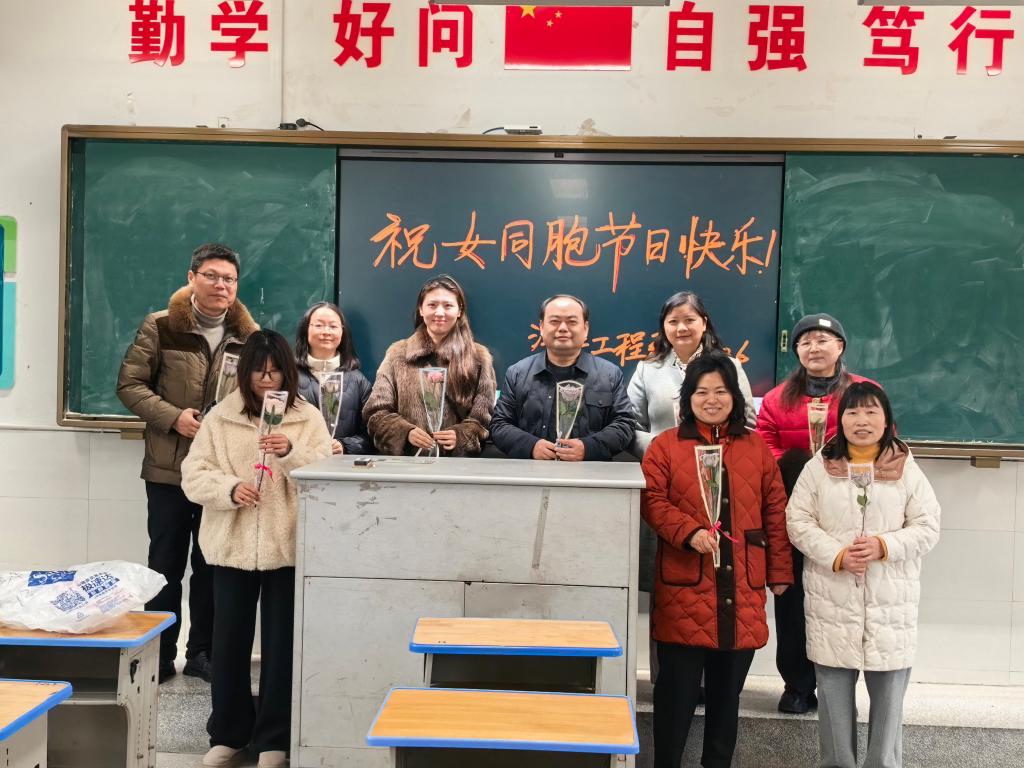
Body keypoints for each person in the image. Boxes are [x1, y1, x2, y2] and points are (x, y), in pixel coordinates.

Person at [181, 330, 332, 768]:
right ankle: (227, 733)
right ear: (244, 373)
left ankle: (274, 739)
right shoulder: (220, 417)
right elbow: (194, 474)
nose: (267, 380)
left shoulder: (307, 417)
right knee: (228, 643)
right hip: (231, 545)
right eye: (258, 372)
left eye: (275, 372)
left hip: (287, 546)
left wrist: (291, 452)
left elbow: (326, 471)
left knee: (281, 646)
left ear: (289, 373)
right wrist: (230, 489)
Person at [641, 351, 792, 768]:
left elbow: (775, 511)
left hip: (741, 587)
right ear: (687, 398)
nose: (711, 400)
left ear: (735, 397)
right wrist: (688, 532)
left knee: (727, 699)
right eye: (702, 392)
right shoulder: (665, 446)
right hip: (684, 589)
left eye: (721, 391)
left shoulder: (756, 447)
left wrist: (779, 571)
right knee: (675, 696)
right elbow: (652, 501)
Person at [116, 242, 257, 684]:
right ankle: (159, 654)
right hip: (169, 469)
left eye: (229, 279)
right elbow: (130, 385)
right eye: (212, 276)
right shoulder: (161, 326)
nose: (221, 285)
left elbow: (258, 397)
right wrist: (174, 417)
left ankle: (202, 653)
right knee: (166, 563)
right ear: (192, 277)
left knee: (212, 563)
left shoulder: (250, 337)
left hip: (219, 473)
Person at [786, 382, 940, 768]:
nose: (862, 420)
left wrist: (884, 546)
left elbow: (927, 527)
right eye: (853, 412)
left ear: (887, 421)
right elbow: (797, 521)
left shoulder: (906, 468)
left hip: (891, 609)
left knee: (888, 709)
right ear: (840, 420)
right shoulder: (819, 466)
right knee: (834, 709)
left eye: (872, 411)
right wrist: (837, 554)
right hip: (832, 603)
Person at [627, 291, 756, 686]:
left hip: (721, 487)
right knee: (669, 580)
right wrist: (665, 449)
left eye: (689, 319)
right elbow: (629, 425)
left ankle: (709, 680)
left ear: (704, 323)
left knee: (719, 577)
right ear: (663, 327)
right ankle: (667, 679)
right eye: (673, 321)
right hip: (667, 487)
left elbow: (748, 421)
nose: (681, 327)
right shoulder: (647, 370)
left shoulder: (729, 366)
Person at [755, 312, 880, 715]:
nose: (814, 348)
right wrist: (802, 471)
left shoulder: (864, 394)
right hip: (794, 513)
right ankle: (797, 685)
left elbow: (880, 441)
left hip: (847, 513)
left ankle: (837, 689)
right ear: (796, 351)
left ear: (840, 346)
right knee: (792, 602)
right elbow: (764, 447)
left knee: (840, 603)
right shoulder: (776, 399)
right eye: (805, 342)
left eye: (823, 340)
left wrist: (834, 471)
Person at [363, 274, 496, 456]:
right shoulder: (397, 354)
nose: (439, 313)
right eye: (432, 305)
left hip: (458, 467)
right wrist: (405, 433)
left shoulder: (479, 358)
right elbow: (375, 413)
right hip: (408, 464)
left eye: (448, 306)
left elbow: (485, 419)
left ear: (459, 311)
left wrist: (462, 436)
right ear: (421, 309)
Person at [490, 294, 635, 460]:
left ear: (585, 328)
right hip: (530, 470)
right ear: (541, 327)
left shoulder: (609, 374)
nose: (563, 328)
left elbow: (625, 424)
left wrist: (588, 448)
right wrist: (531, 446)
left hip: (590, 471)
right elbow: (499, 424)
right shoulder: (517, 373)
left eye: (572, 322)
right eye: (554, 321)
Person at [295, 301, 372, 455]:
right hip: (300, 463)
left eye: (333, 326)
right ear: (306, 329)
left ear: (342, 332)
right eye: (319, 325)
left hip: (341, 466)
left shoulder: (358, 381)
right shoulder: (288, 376)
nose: (326, 331)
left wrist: (345, 446)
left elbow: (372, 434)